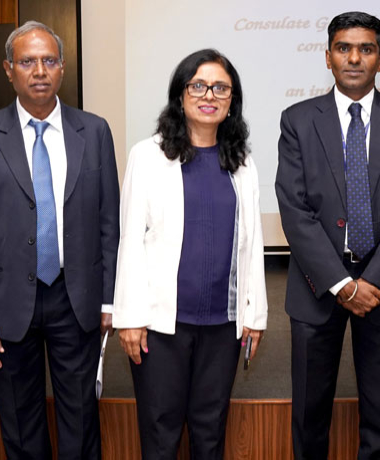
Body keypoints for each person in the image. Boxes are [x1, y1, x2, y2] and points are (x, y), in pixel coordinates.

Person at [0, 21, 119, 459]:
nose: (39, 71)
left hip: (76, 297)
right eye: (27, 62)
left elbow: (108, 222)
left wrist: (108, 300)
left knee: (81, 419)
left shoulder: (95, 131)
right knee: (20, 423)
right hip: (6, 304)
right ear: (9, 70)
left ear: (63, 68)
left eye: (48, 61)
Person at [275, 11, 380, 459]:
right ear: (327, 57)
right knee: (309, 414)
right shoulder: (298, 119)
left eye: (366, 49)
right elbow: (295, 209)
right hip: (316, 286)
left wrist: (373, 284)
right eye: (344, 48)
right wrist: (343, 285)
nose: (354, 58)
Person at [113, 48, 268, 460]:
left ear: (231, 100)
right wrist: (130, 318)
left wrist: (254, 317)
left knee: (210, 432)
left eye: (220, 87)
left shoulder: (242, 162)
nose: (209, 94)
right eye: (198, 85)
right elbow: (129, 240)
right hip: (162, 327)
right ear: (180, 94)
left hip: (223, 325)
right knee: (161, 434)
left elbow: (252, 247)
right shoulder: (148, 156)